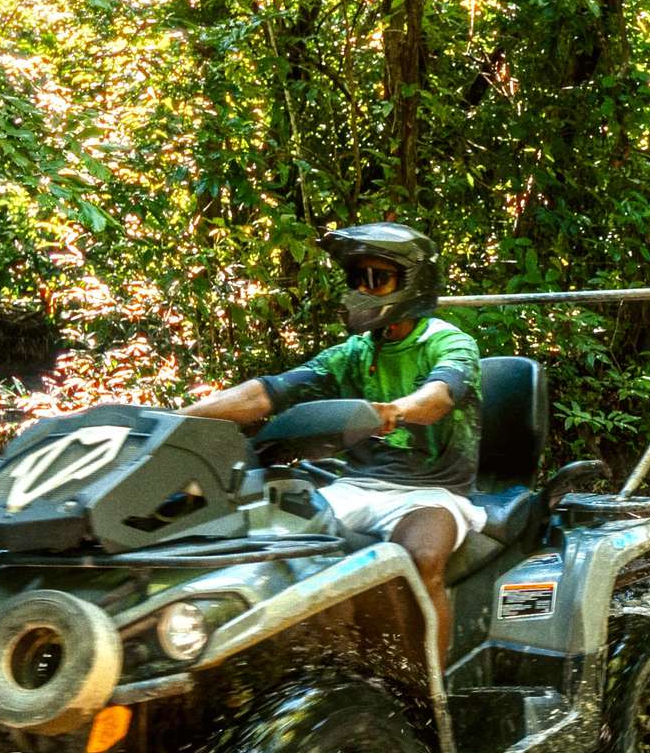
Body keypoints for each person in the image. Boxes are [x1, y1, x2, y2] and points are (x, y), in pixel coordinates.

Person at [179, 223, 481, 659]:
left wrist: (398, 409)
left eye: (378, 278)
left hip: (431, 492)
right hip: (358, 486)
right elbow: (267, 392)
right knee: (279, 540)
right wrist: (175, 418)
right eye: (358, 278)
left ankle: (431, 693)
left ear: (413, 281)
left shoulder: (447, 341)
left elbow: (440, 396)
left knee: (421, 558)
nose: (363, 288)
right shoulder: (357, 351)